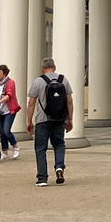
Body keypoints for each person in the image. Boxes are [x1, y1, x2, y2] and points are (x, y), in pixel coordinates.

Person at [26, 57, 73, 187]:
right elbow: (69, 101)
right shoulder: (63, 80)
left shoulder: (38, 81)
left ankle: (42, 178)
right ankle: (59, 167)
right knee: (59, 144)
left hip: (42, 120)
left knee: (41, 148)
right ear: (55, 67)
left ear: (43, 68)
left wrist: (29, 121)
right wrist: (70, 119)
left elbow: (31, 103)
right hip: (59, 118)